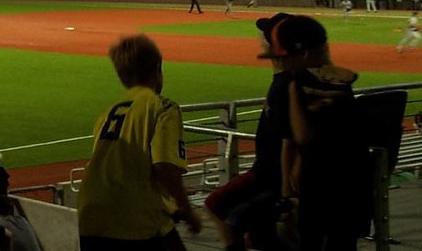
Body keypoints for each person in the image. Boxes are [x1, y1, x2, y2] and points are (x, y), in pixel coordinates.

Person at [76, 34, 200, 251]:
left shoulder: (107, 114)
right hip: (133, 223)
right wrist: (188, 211)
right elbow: (165, 167)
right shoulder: (162, 107)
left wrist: (169, 207)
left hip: (90, 219)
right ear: (157, 69)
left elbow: (122, 170)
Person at [205, 13, 296, 251]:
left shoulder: (285, 85)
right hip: (268, 175)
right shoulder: (288, 81)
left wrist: (287, 194)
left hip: (269, 177)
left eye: (264, 36)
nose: (260, 39)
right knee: (260, 235)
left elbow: (291, 142)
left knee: (220, 205)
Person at [278, 15, 369, 251]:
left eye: (287, 55)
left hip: (324, 186)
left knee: (312, 242)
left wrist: (291, 93)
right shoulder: (341, 80)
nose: (284, 61)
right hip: (353, 184)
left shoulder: (304, 83)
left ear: (304, 54)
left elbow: (302, 136)